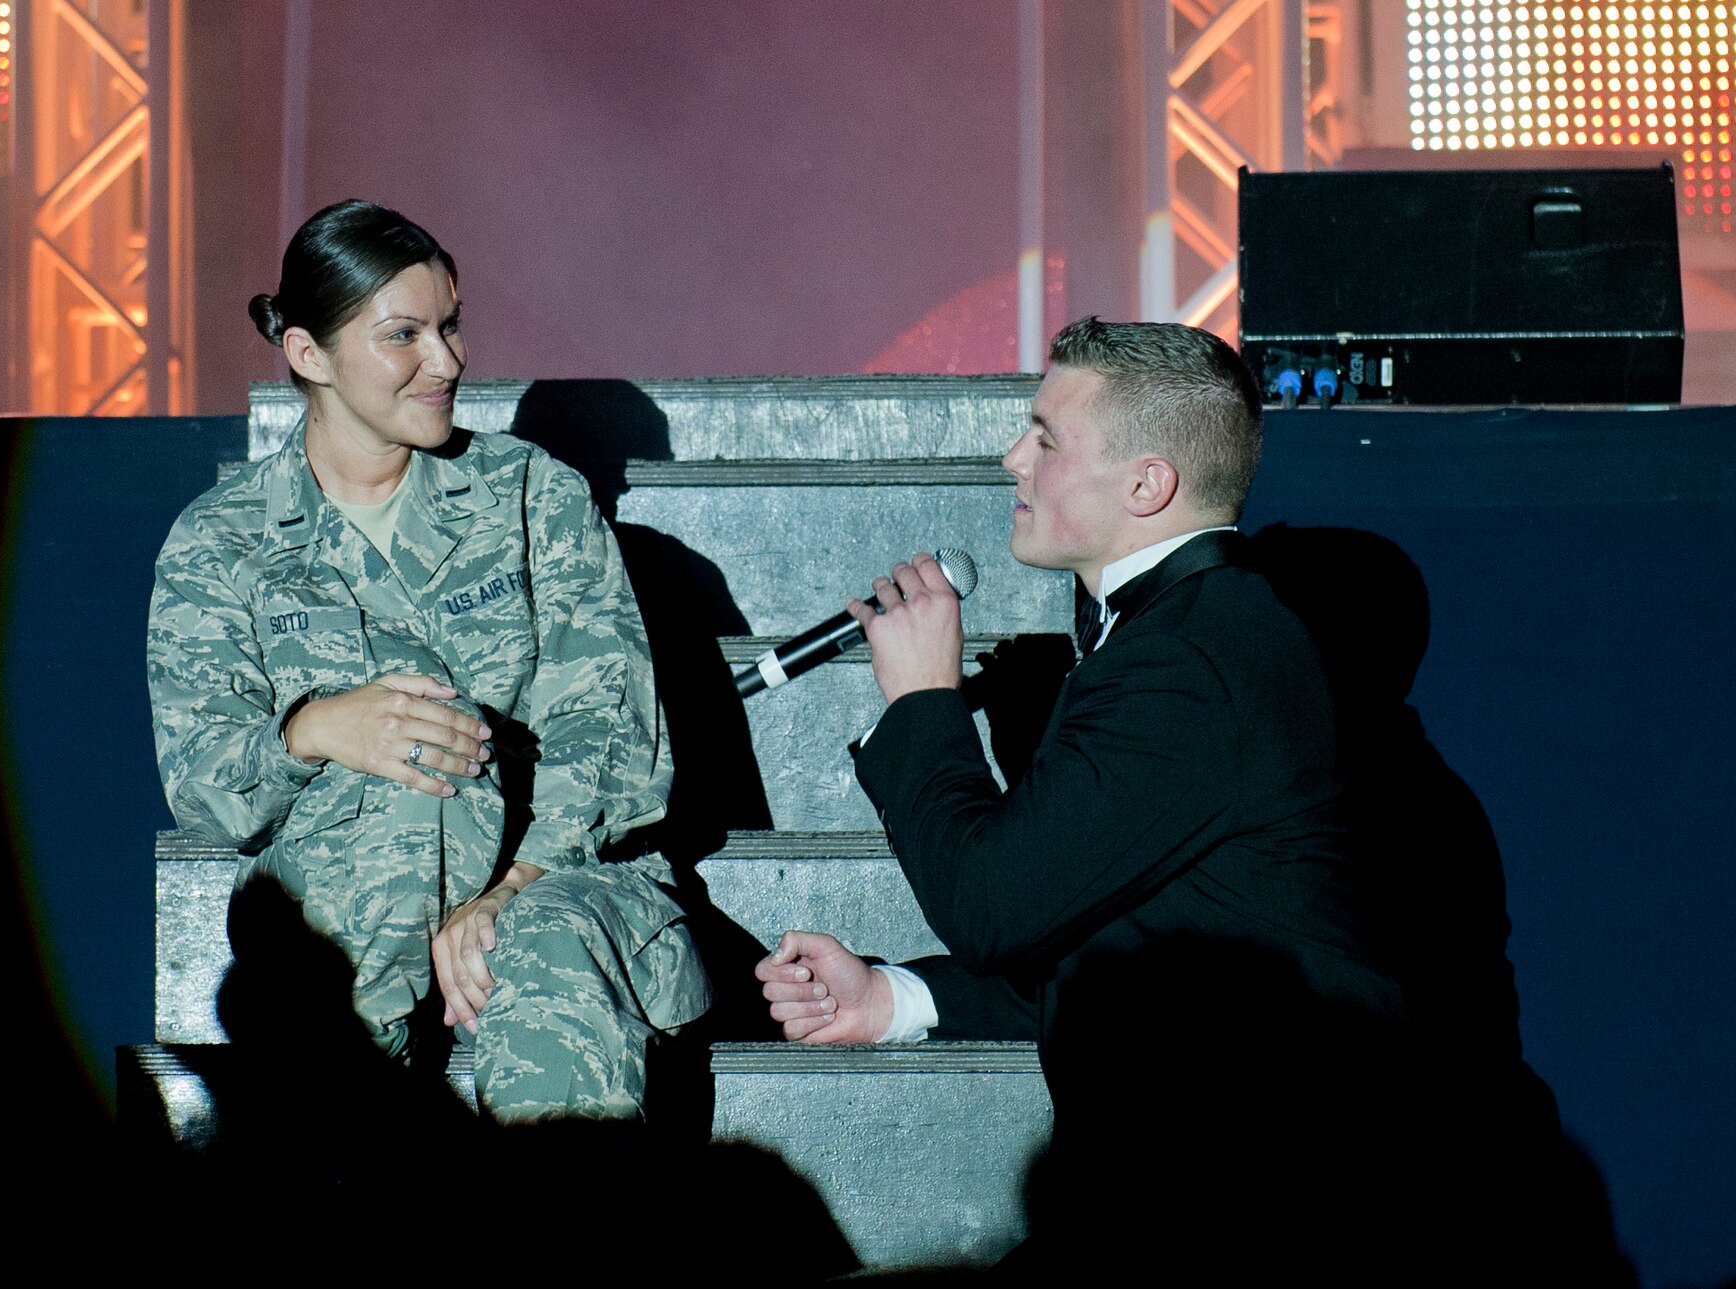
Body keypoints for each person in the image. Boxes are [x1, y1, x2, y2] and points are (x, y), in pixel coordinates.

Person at [755, 318, 1426, 1279]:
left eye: (1046, 437)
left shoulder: (1189, 663)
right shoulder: (1190, 638)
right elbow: (1126, 932)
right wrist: (895, 996)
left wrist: (923, 702)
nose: (1011, 458)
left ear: (1147, 485)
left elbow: (993, 902)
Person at [149, 200, 709, 1122]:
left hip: (564, 880)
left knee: (545, 946)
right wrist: (317, 729)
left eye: (450, 325)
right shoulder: (223, 542)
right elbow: (206, 786)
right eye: (404, 334)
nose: (447, 361)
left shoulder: (531, 496)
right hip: (343, 912)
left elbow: (613, 740)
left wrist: (511, 888)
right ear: (307, 355)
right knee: (381, 836)